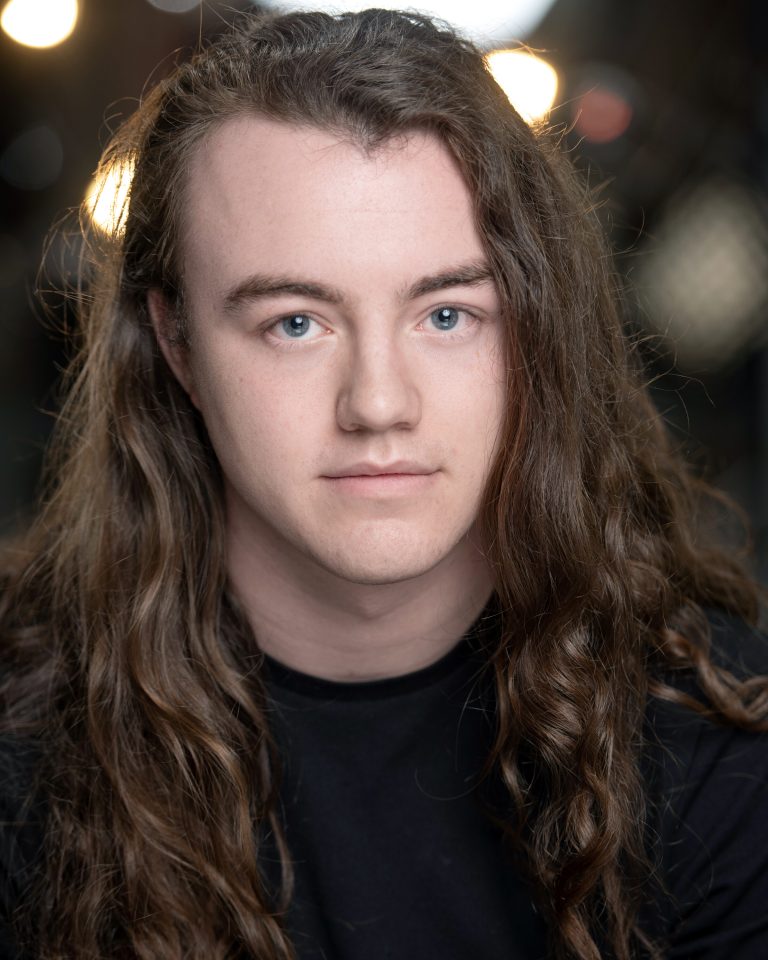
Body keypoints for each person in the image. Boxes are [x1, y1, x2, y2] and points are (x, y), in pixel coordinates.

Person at [0, 7, 766, 960]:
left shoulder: (715, 746)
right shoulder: (23, 745)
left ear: (531, 327)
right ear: (177, 346)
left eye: (446, 315)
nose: (378, 404)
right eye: (294, 323)